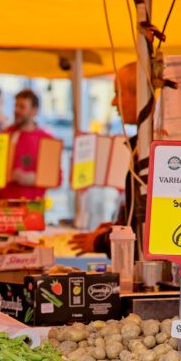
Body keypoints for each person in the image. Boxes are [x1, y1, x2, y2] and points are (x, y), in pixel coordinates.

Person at [68, 62, 145, 255]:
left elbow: (148, 229)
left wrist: (103, 240)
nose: (113, 102)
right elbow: (140, 220)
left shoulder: (153, 150)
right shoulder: (142, 146)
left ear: (140, 95)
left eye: (119, 93)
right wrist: (117, 227)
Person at [0, 89, 56, 201]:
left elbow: (56, 178)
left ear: (34, 110)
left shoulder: (46, 139)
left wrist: (33, 178)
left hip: (33, 209)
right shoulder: (4, 136)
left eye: (22, 107)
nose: (16, 110)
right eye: (15, 106)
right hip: (5, 209)